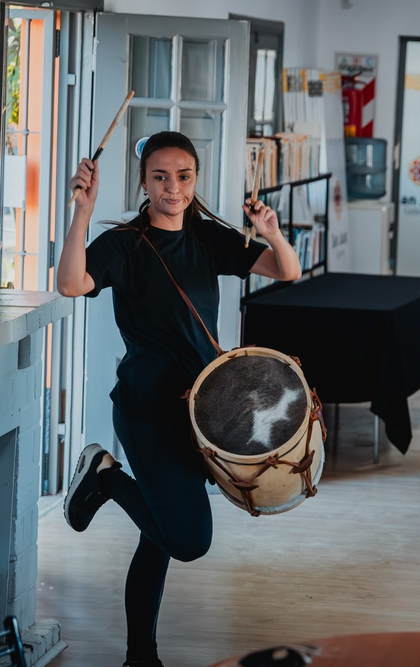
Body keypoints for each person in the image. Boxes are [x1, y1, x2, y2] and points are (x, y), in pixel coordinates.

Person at [56, 131, 301, 667]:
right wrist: (81, 211)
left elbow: (287, 270)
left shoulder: (208, 238)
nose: (173, 187)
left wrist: (272, 232)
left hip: (201, 412)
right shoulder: (124, 243)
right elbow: (71, 284)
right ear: (143, 181)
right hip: (146, 408)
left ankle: (140, 656)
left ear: (195, 179)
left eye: (183, 176)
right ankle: (104, 475)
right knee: (188, 540)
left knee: (161, 536)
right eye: (160, 176)